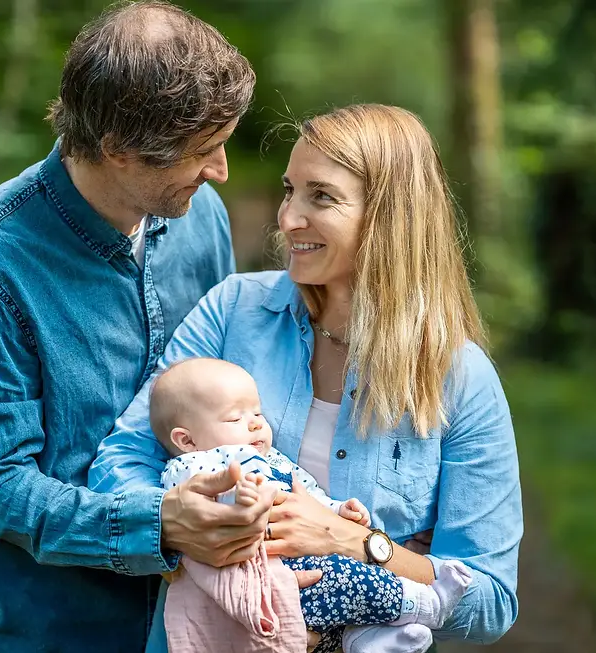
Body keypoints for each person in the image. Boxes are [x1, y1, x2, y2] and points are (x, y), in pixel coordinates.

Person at [0, 2, 306, 651]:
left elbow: (220, 392)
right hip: (37, 628)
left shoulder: (199, 215)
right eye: (201, 152)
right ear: (118, 150)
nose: (220, 172)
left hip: (183, 624)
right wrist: (158, 523)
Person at [90, 103, 523, 652]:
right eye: (289, 190)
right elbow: (123, 461)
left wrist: (359, 541)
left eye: (321, 196)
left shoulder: (459, 379)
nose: (289, 217)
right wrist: (186, 530)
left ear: (390, 215)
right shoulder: (231, 311)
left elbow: (490, 602)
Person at [151, 357, 473, 653]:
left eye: (258, 414)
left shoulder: (272, 458)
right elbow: (197, 506)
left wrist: (337, 511)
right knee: (345, 578)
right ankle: (424, 604)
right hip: (268, 569)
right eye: (236, 417)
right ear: (186, 440)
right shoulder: (191, 465)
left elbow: (307, 494)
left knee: (349, 580)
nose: (254, 424)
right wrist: (239, 498)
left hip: (302, 553)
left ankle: (368, 637)